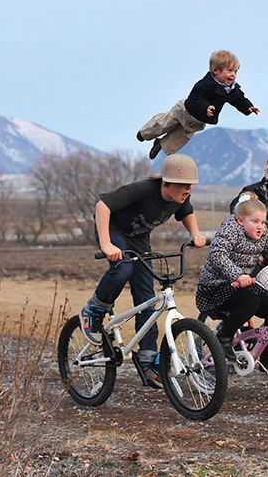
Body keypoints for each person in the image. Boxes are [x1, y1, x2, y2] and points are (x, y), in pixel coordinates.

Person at [80, 154, 207, 389]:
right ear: (166, 183)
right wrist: (107, 244)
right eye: (183, 185)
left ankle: (148, 358)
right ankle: (94, 309)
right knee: (123, 268)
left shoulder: (180, 198)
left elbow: (187, 213)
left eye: (191, 185)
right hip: (114, 231)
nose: (188, 190)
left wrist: (195, 233)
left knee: (147, 299)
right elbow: (102, 205)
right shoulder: (144, 190)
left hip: (138, 240)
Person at [196, 193, 268, 374]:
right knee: (250, 300)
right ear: (240, 221)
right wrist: (237, 275)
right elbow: (217, 254)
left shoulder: (262, 233)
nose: (260, 226)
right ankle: (224, 336)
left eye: (263, 222)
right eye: (255, 221)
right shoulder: (230, 229)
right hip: (215, 287)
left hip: (242, 285)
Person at [137, 50, 260, 159]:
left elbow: (239, 99)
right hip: (184, 111)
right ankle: (145, 133)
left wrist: (248, 107)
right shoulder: (204, 84)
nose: (233, 75)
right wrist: (206, 107)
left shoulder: (231, 89)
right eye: (229, 71)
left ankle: (160, 144)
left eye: (235, 71)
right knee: (164, 123)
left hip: (197, 121)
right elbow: (196, 97)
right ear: (215, 71)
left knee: (181, 137)